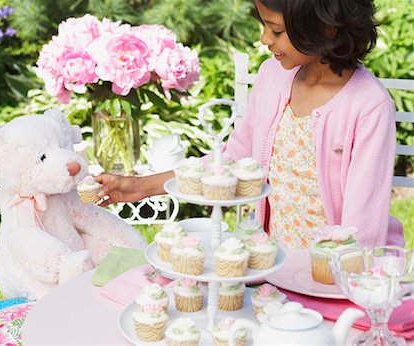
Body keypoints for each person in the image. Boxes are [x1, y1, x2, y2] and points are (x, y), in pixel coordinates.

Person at [95, 0, 404, 249]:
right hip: (269, 264)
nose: (264, 40)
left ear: (325, 28)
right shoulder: (273, 75)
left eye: (276, 30)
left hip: (331, 278)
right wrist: (140, 187)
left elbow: (362, 231)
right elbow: (231, 161)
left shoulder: (369, 106)